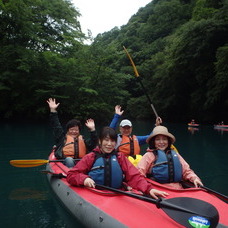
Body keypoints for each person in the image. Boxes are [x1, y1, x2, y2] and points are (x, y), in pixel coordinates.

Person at [67, 126, 169, 199]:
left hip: (117, 195)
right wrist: (84, 179)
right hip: (96, 194)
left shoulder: (120, 157)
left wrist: (149, 189)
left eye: (112, 141)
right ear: (100, 141)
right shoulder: (91, 157)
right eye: (106, 140)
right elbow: (71, 175)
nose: (109, 144)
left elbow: (134, 176)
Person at [137, 125, 203, 189]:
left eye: (164, 139)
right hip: (157, 189)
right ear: (153, 142)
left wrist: (195, 179)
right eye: (157, 139)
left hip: (178, 189)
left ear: (168, 141)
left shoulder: (175, 154)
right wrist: (147, 188)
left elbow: (187, 171)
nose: (161, 142)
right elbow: (139, 174)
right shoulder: (149, 155)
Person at [47, 98, 98, 168]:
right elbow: (56, 126)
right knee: (69, 159)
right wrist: (53, 111)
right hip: (66, 163)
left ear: (79, 131)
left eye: (76, 130)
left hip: (80, 162)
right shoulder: (62, 138)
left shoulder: (82, 140)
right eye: (71, 129)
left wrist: (93, 130)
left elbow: (93, 143)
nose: (74, 131)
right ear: (67, 130)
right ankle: (72, 174)